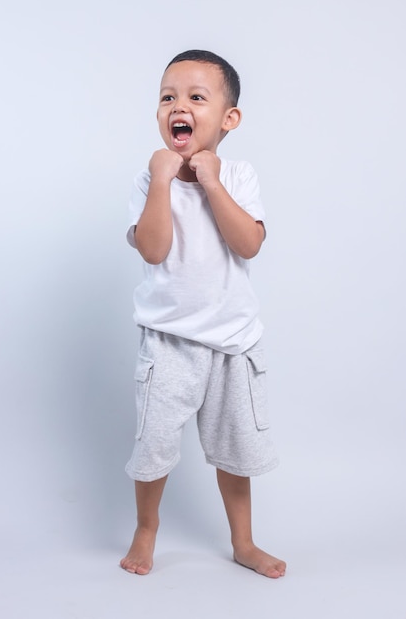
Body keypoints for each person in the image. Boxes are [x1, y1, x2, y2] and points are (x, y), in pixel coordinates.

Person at [120, 50, 286, 579]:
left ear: (228, 118)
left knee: (236, 453)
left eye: (196, 97)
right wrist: (164, 181)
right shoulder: (151, 181)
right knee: (154, 448)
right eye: (168, 97)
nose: (178, 106)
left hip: (233, 345)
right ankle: (146, 529)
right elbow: (152, 249)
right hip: (169, 343)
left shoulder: (238, 175)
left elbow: (249, 245)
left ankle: (243, 542)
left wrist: (211, 181)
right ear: (159, 115)